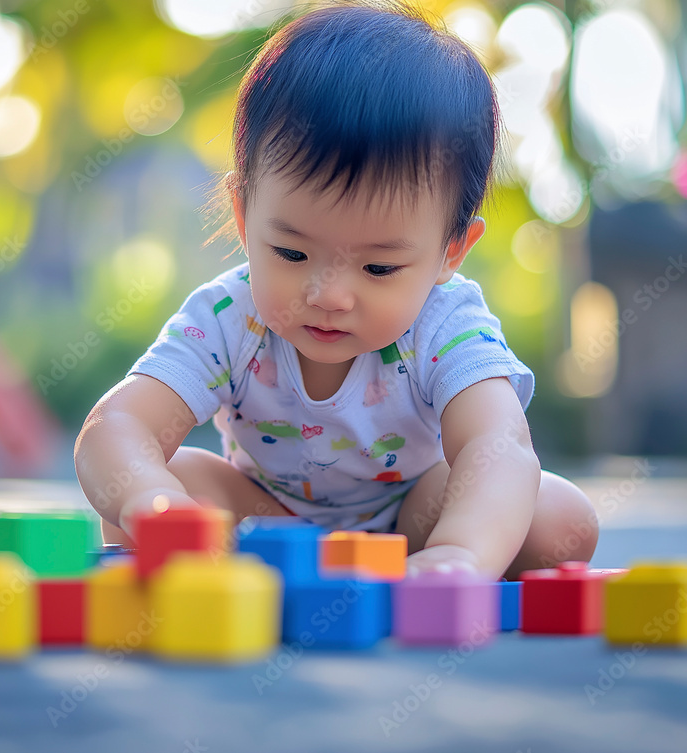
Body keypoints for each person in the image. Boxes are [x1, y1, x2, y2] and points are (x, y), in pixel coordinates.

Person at [73, 0, 597, 579]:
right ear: (245, 218)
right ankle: (234, 567)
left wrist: (462, 552)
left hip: (411, 524)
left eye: (378, 269)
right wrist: (151, 502)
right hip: (263, 522)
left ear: (451, 250)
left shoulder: (446, 324)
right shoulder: (229, 317)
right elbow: (117, 426)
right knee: (151, 494)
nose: (329, 295)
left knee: (559, 517)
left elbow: (497, 443)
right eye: (292, 254)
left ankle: (433, 563)